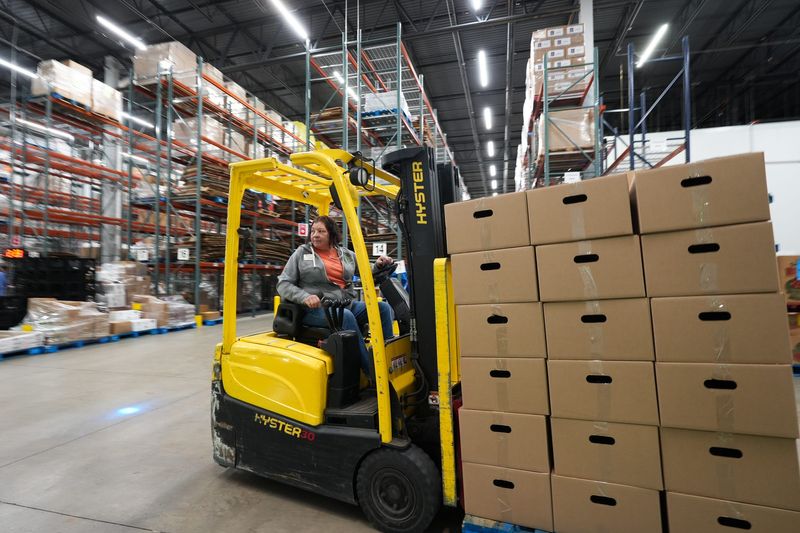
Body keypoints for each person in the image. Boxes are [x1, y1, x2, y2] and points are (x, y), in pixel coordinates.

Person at [277, 216, 395, 378]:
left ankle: (390, 360)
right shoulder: (301, 253)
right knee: (345, 317)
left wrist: (379, 265)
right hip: (316, 309)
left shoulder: (345, 254)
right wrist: (304, 296)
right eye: (313, 231)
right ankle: (374, 374)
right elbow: (283, 284)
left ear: (331, 234)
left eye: (321, 231)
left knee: (383, 308)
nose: (315, 235)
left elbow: (366, 271)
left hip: (345, 304)